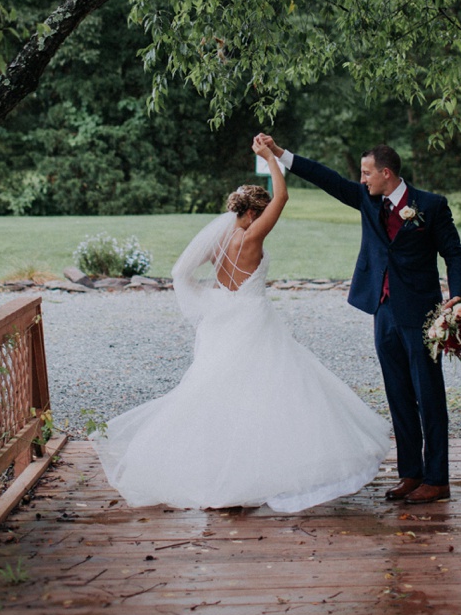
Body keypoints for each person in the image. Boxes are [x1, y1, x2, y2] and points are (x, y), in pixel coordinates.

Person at [97, 146, 393, 512]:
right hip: (253, 320)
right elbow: (283, 196)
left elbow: (180, 273)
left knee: (219, 394)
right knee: (273, 392)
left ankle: (222, 469)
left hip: (221, 319)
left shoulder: (217, 241)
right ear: (252, 212)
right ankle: (266, 469)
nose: (264, 216)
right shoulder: (252, 237)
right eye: (261, 211)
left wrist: (208, 302)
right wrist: (270, 157)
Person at [254, 133, 461, 503]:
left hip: (422, 314)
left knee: (429, 395)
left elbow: (455, 253)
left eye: (367, 173)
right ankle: (410, 474)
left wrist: (459, 297)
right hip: (381, 311)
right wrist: (279, 153)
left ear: (386, 173)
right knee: (398, 394)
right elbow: (328, 179)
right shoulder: (368, 201)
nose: (361, 179)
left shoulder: (431, 206)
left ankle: (437, 478)